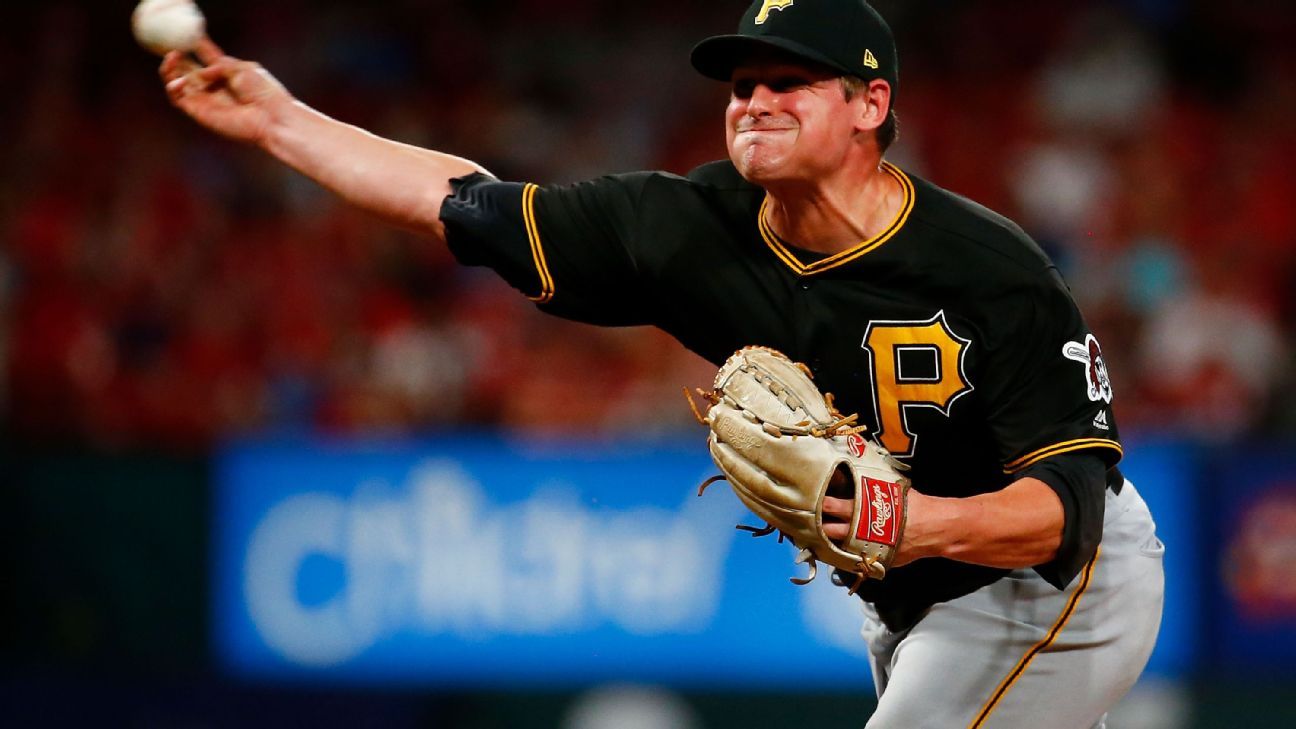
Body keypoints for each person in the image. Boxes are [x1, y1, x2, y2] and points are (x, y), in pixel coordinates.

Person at [159, 0, 1164, 726]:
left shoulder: (991, 270)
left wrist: (912, 523)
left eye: (789, 82)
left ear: (869, 105)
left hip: (1054, 585)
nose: (754, 102)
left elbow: (1065, 508)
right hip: (915, 598)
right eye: (742, 85)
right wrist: (279, 122)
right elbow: (462, 199)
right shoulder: (683, 226)